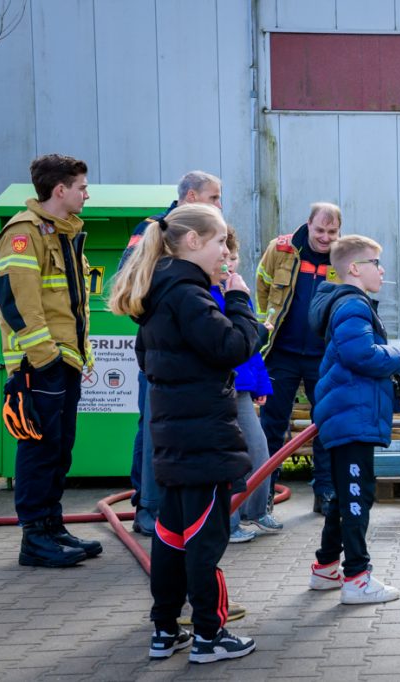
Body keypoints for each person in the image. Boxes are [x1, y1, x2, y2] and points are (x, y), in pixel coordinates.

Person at [108, 203, 257, 663]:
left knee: (171, 537)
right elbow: (231, 346)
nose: (224, 257)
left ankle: (165, 630)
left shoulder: (157, 293)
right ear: (193, 241)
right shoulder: (189, 295)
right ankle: (210, 635)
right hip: (203, 440)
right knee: (205, 541)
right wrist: (239, 303)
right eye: (219, 245)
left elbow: (151, 360)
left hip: (172, 438)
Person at [0, 154, 102, 568]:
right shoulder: (23, 233)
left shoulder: (62, 232)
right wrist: (46, 359)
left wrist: (76, 355)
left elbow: (69, 304)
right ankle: (34, 537)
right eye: (81, 187)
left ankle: (52, 526)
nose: (86, 194)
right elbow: (17, 304)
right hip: (39, 365)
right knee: (39, 448)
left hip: (64, 361)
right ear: (60, 190)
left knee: (59, 448)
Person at [306, 235, 400, 604]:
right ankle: (357, 578)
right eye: (376, 263)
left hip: (349, 416)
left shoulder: (349, 305)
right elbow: (361, 356)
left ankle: (326, 569)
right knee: (357, 498)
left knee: (344, 497)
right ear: (354, 268)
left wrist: (396, 398)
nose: (383, 271)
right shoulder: (353, 305)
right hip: (349, 424)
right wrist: (399, 355)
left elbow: (356, 376)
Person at [123, 171, 223, 537]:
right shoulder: (154, 229)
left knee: (158, 428)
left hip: (179, 350)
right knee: (154, 429)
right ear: (192, 196)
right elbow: (130, 284)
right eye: (214, 198)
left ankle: (156, 507)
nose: (219, 205)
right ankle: (149, 508)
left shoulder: (195, 239)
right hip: (164, 351)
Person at [255, 203, 340, 515]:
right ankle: (263, 493)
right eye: (320, 230)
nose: (325, 237)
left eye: (332, 232)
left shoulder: (343, 257)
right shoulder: (281, 250)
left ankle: (326, 492)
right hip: (282, 354)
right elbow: (262, 286)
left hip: (324, 357)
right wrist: (266, 327)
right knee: (272, 425)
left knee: (326, 425)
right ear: (308, 224)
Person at [210, 226, 282, 544]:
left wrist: (261, 386)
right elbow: (231, 343)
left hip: (242, 388)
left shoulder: (238, 292)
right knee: (232, 455)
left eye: (236, 257)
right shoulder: (212, 293)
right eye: (226, 257)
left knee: (258, 448)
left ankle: (256, 511)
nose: (231, 264)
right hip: (222, 387)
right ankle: (231, 519)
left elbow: (251, 350)